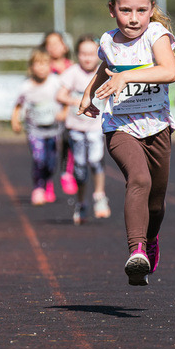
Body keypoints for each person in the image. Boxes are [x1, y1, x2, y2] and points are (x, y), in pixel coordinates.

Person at [79, 0, 175, 286]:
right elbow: (105, 68)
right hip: (120, 125)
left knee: (156, 204)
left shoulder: (156, 35)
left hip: (156, 126)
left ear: (151, 9)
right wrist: (89, 94)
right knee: (138, 179)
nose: (133, 18)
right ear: (112, 9)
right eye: (125, 10)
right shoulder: (108, 40)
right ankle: (136, 252)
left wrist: (126, 76)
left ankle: (150, 240)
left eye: (141, 10)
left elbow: (169, 71)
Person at [58, 35, 111, 224]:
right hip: (76, 127)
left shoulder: (103, 71)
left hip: (96, 126)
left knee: (96, 161)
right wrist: (76, 100)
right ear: (77, 55)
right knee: (80, 168)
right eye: (83, 54)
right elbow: (60, 95)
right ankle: (81, 203)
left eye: (91, 54)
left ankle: (99, 196)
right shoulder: (72, 73)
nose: (87, 58)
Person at [11, 48, 64, 206]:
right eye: (38, 64)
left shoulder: (55, 82)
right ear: (31, 66)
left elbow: (66, 98)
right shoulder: (26, 86)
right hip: (35, 130)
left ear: (50, 66)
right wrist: (15, 121)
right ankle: (38, 188)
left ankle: (48, 181)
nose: (41, 68)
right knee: (39, 158)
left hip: (53, 129)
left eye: (45, 64)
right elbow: (18, 105)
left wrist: (64, 112)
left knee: (51, 162)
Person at [42, 31, 78, 197]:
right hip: (48, 114)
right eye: (49, 44)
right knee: (48, 149)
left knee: (68, 143)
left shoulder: (73, 67)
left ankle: (67, 174)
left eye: (57, 44)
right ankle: (46, 181)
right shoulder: (43, 67)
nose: (53, 48)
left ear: (64, 46)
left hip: (69, 114)